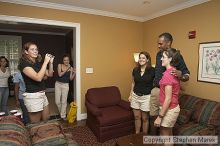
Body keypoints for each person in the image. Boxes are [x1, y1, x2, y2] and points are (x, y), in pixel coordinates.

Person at [149, 32, 190, 135]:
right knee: (153, 117)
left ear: (169, 43)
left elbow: (186, 74)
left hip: (167, 93)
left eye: (161, 44)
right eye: (158, 43)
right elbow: (158, 70)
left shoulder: (176, 56)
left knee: (164, 125)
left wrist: (180, 75)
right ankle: (153, 139)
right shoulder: (159, 54)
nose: (158, 46)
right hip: (156, 90)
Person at [19, 42, 54, 123]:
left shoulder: (37, 63)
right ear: (26, 52)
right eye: (32, 49)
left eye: (36, 49)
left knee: (46, 118)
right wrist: (45, 62)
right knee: (36, 124)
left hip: (42, 94)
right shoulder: (24, 64)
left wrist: (50, 62)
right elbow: (38, 78)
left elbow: (50, 74)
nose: (35, 51)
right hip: (33, 96)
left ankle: (44, 135)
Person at [154, 48, 181, 146]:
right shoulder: (173, 71)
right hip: (171, 108)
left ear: (170, 59)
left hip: (169, 109)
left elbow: (168, 99)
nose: (161, 59)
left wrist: (160, 117)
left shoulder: (168, 75)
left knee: (165, 135)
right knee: (168, 134)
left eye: (163, 57)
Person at [128, 51, 155, 134]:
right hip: (135, 96)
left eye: (143, 58)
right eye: (140, 58)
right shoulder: (135, 70)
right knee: (136, 117)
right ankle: (137, 135)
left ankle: (144, 136)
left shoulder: (152, 70)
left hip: (146, 97)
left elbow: (157, 83)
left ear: (147, 60)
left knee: (145, 118)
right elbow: (133, 83)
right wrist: (130, 94)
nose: (141, 59)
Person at [55, 54, 75, 121]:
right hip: (58, 84)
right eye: (64, 60)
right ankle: (62, 113)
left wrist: (74, 73)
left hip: (65, 85)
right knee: (57, 101)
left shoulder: (71, 68)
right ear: (63, 61)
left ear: (69, 60)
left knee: (64, 101)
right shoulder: (59, 65)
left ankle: (63, 116)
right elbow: (60, 74)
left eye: (67, 60)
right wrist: (67, 69)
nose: (66, 61)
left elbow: (70, 79)